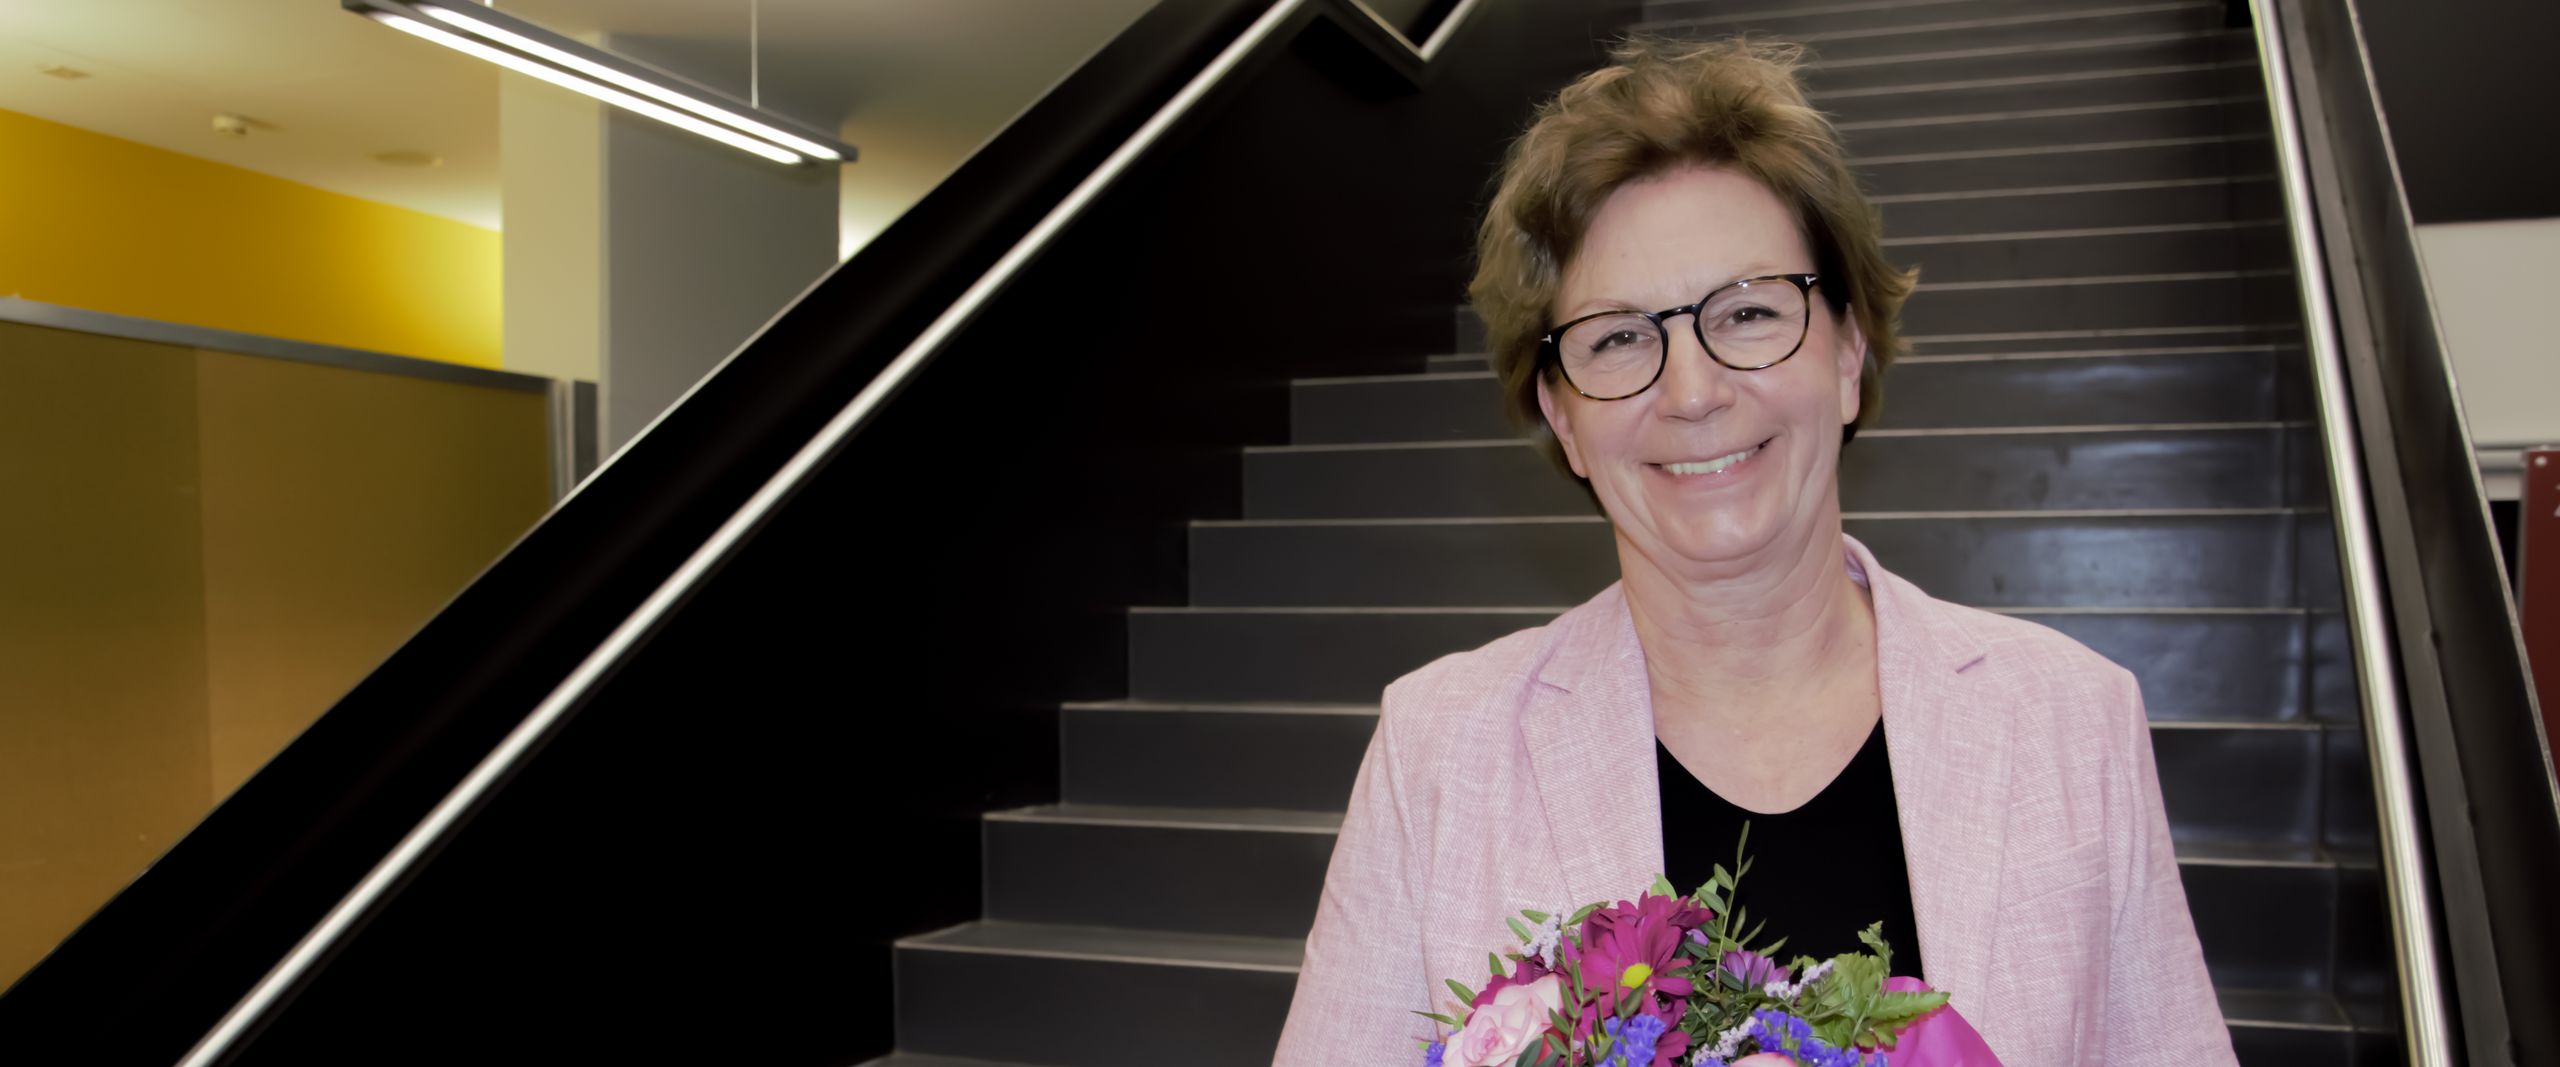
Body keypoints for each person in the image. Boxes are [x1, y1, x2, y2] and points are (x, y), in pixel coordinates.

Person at [1272, 37, 2235, 1066]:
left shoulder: (2069, 718)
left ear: (1848, 352)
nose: (1691, 391)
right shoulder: (1438, 747)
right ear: (1560, 413)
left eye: (1747, 313)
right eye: (1617, 337)